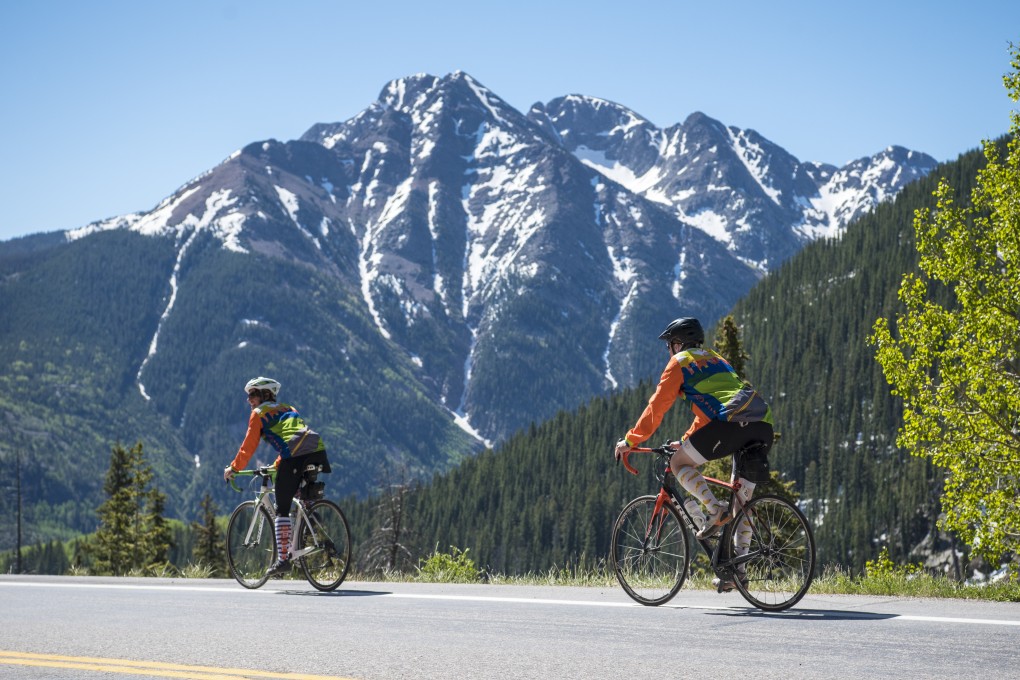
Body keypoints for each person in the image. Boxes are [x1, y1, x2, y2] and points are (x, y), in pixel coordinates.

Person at [614, 317, 773, 589]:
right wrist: (687, 440)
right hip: (762, 424)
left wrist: (631, 439)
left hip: (731, 423)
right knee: (742, 502)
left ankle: (714, 509)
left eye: (669, 346)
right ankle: (738, 574)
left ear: (678, 344)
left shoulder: (679, 363)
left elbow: (657, 407)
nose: (669, 351)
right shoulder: (717, 359)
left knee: (679, 463)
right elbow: (708, 411)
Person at [224, 376, 331, 577]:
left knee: (281, 508)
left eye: (253, 394)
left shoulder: (258, 414)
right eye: (248, 396)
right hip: (317, 450)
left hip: (296, 457)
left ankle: (283, 560)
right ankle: (309, 525)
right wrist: (276, 465)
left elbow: (248, 447)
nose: (249, 400)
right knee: (300, 495)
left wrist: (234, 468)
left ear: (266, 394)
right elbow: (293, 438)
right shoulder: (289, 408)